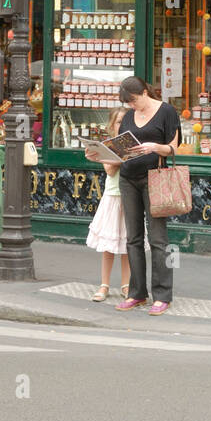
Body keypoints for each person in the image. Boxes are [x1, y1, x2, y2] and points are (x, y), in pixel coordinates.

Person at [112, 77, 180, 316]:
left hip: (155, 178)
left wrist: (153, 147)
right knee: (133, 238)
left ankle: (162, 295)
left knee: (159, 239)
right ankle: (137, 293)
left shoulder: (166, 111)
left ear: (143, 92)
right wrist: (101, 155)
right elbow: (120, 149)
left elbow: (174, 148)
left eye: (133, 100)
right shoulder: (129, 116)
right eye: (128, 103)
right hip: (128, 178)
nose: (132, 106)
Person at [84, 108, 131, 302]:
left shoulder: (132, 144)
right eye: (118, 122)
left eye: (125, 121)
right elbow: (110, 170)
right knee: (108, 245)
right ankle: (104, 284)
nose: (121, 125)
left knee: (128, 243)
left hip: (130, 195)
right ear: (112, 125)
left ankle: (127, 284)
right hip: (113, 196)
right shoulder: (109, 145)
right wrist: (120, 155)